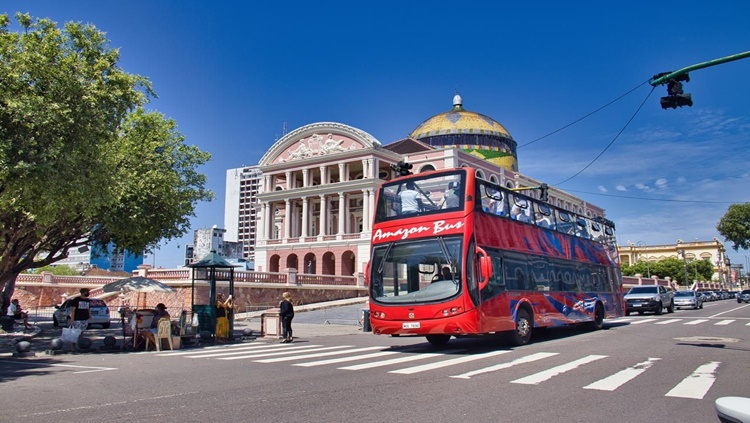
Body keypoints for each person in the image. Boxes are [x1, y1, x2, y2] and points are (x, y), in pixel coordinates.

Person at [68, 288, 91, 352]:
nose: (88, 293)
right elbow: (73, 310)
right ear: (83, 292)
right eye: (87, 292)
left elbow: (88, 308)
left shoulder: (87, 300)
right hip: (77, 319)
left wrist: (90, 315)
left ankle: (81, 345)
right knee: (75, 333)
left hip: (84, 319)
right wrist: (72, 319)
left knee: (82, 333)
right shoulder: (76, 300)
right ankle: (73, 346)